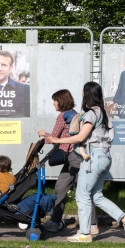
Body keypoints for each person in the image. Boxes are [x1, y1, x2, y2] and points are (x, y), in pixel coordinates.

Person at [48, 82, 125, 243]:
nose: (81, 94)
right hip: (104, 157)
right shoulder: (103, 112)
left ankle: (84, 233)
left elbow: (81, 137)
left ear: (86, 94)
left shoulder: (91, 113)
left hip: (94, 157)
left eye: (83, 91)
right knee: (96, 196)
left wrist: (57, 139)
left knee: (82, 195)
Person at [37, 89, 99, 234]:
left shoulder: (62, 116)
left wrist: (42, 134)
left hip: (73, 158)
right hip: (73, 158)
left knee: (79, 190)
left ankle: (92, 224)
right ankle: (56, 221)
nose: (53, 103)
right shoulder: (75, 114)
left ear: (61, 101)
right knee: (62, 188)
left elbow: (53, 138)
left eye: (55, 100)